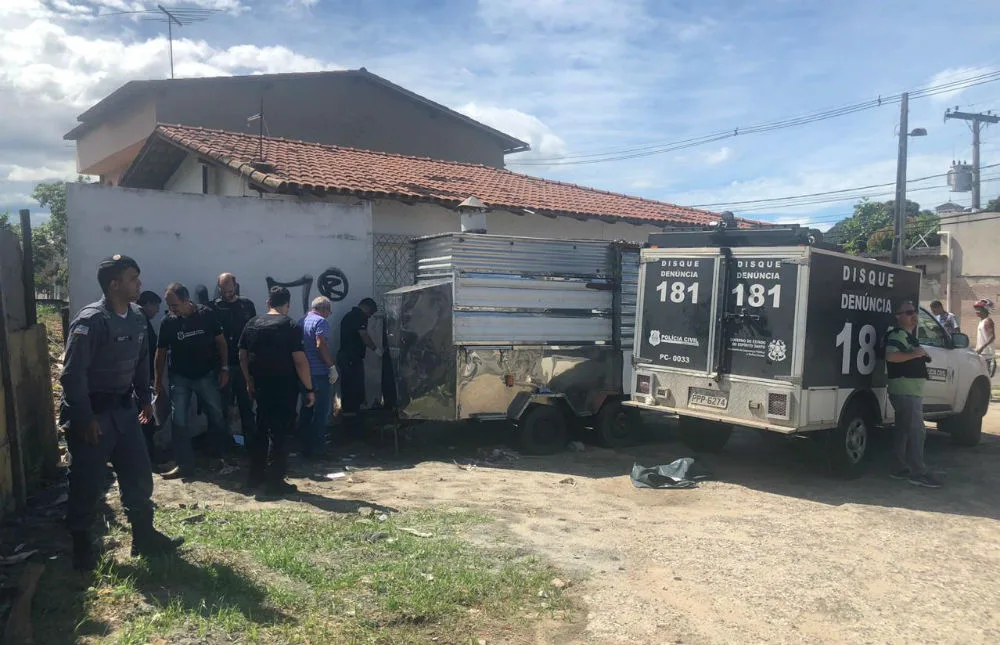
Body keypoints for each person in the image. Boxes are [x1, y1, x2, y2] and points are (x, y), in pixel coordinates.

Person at [59, 255, 182, 572]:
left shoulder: (139, 317)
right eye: (132, 278)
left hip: (126, 412)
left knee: (139, 474)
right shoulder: (91, 321)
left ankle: (144, 537)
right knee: (87, 481)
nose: (139, 284)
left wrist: (144, 398)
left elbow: (141, 361)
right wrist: (84, 418)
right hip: (93, 415)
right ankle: (83, 547)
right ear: (114, 284)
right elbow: (72, 376)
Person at [238, 286, 316, 496]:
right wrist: (309, 388)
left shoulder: (252, 323)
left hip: (260, 385)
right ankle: (275, 482)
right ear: (287, 305)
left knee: (261, 428)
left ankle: (255, 476)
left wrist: (248, 381)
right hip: (283, 386)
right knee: (280, 432)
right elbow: (300, 361)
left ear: (268, 303)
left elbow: (242, 355)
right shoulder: (289, 325)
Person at [154, 282, 231, 479]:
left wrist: (224, 368)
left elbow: (221, 342)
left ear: (187, 300)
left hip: (206, 374)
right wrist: (157, 381)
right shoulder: (168, 322)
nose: (171, 310)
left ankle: (218, 458)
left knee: (216, 414)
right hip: (180, 376)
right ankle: (184, 464)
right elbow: (160, 352)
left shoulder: (206, 315)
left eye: (174, 306)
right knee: (178, 419)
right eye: (169, 306)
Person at [885, 300, 942, 488]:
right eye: (908, 312)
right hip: (905, 391)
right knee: (917, 432)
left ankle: (898, 468)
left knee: (903, 431)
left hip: (911, 391)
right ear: (898, 317)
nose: (913, 315)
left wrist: (922, 354)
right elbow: (891, 356)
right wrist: (916, 354)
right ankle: (918, 472)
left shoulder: (909, 336)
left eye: (914, 312)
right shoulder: (897, 335)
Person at [211, 273, 257, 441]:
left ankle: (252, 443)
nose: (226, 294)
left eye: (229, 290)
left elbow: (253, 332)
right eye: (223, 291)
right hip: (224, 365)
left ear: (235, 285)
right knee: (222, 407)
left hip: (244, 364)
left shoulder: (246, 305)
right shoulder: (215, 307)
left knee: (247, 405)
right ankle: (223, 444)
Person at [337, 297, 379, 440]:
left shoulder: (349, 316)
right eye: (370, 313)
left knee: (350, 391)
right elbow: (364, 336)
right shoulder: (359, 316)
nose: (370, 316)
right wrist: (376, 349)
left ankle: (350, 425)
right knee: (353, 391)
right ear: (366, 308)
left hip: (346, 358)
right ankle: (352, 429)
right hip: (351, 359)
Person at [298, 296, 335, 459]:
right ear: (324, 309)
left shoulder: (301, 321)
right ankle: (319, 449)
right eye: (328, 311)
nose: (328, 314)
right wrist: (331, 366)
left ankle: (304, 447)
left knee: (306, 410)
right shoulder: (321, 322)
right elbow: (321, 344)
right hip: (319, 373)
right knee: (321, 412)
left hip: (303, 372)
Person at [136, 291, 167, 466]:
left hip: (143, 377)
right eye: (156, 305)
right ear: (147, 304)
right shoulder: (140, 320)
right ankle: (148, 455)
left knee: (148, 417)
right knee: (146, 418)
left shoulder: (140, 319)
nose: (157, 310)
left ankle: (148, 453)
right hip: (142, 378)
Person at [974, 299, 996, 377]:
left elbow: (992, 337)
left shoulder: (987, 321)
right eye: (976, 309)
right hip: (982, 355)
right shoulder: (981, 321)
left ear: (985, 310)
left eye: (979, 309)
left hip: (987, 356)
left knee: (985, 379)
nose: (976, 311)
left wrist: (981, 348)